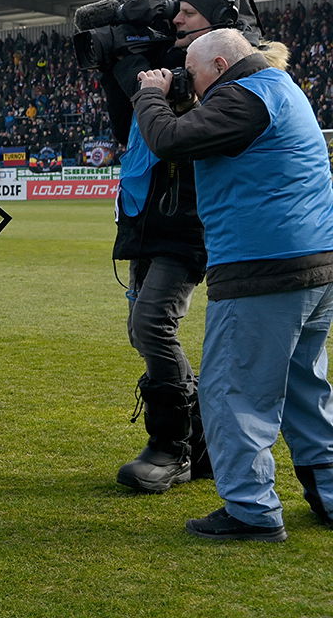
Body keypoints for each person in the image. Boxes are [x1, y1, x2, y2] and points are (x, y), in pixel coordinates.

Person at [134, 28, 333, 541]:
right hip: (312, 262)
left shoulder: (243, 97)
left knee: (233, 392)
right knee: (305, 389)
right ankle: (329, 495)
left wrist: (150, 94)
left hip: (261, 267)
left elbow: (168, 140)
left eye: (193, 73)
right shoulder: (279, 87)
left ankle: (251, 510)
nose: (189, 83)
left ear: (220, 66)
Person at [101, 0, 271, 493]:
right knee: (141, 330)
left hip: (190, 223)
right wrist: (120, 59)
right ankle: (200, 446)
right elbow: (127, 122)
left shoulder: (235, 73)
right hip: (149, 217)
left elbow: (180, 135)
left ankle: (172, 446)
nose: (176, 20)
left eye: (188, 12)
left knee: (153, 324)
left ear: (220, 21)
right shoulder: (169, 64)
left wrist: (161, 83)